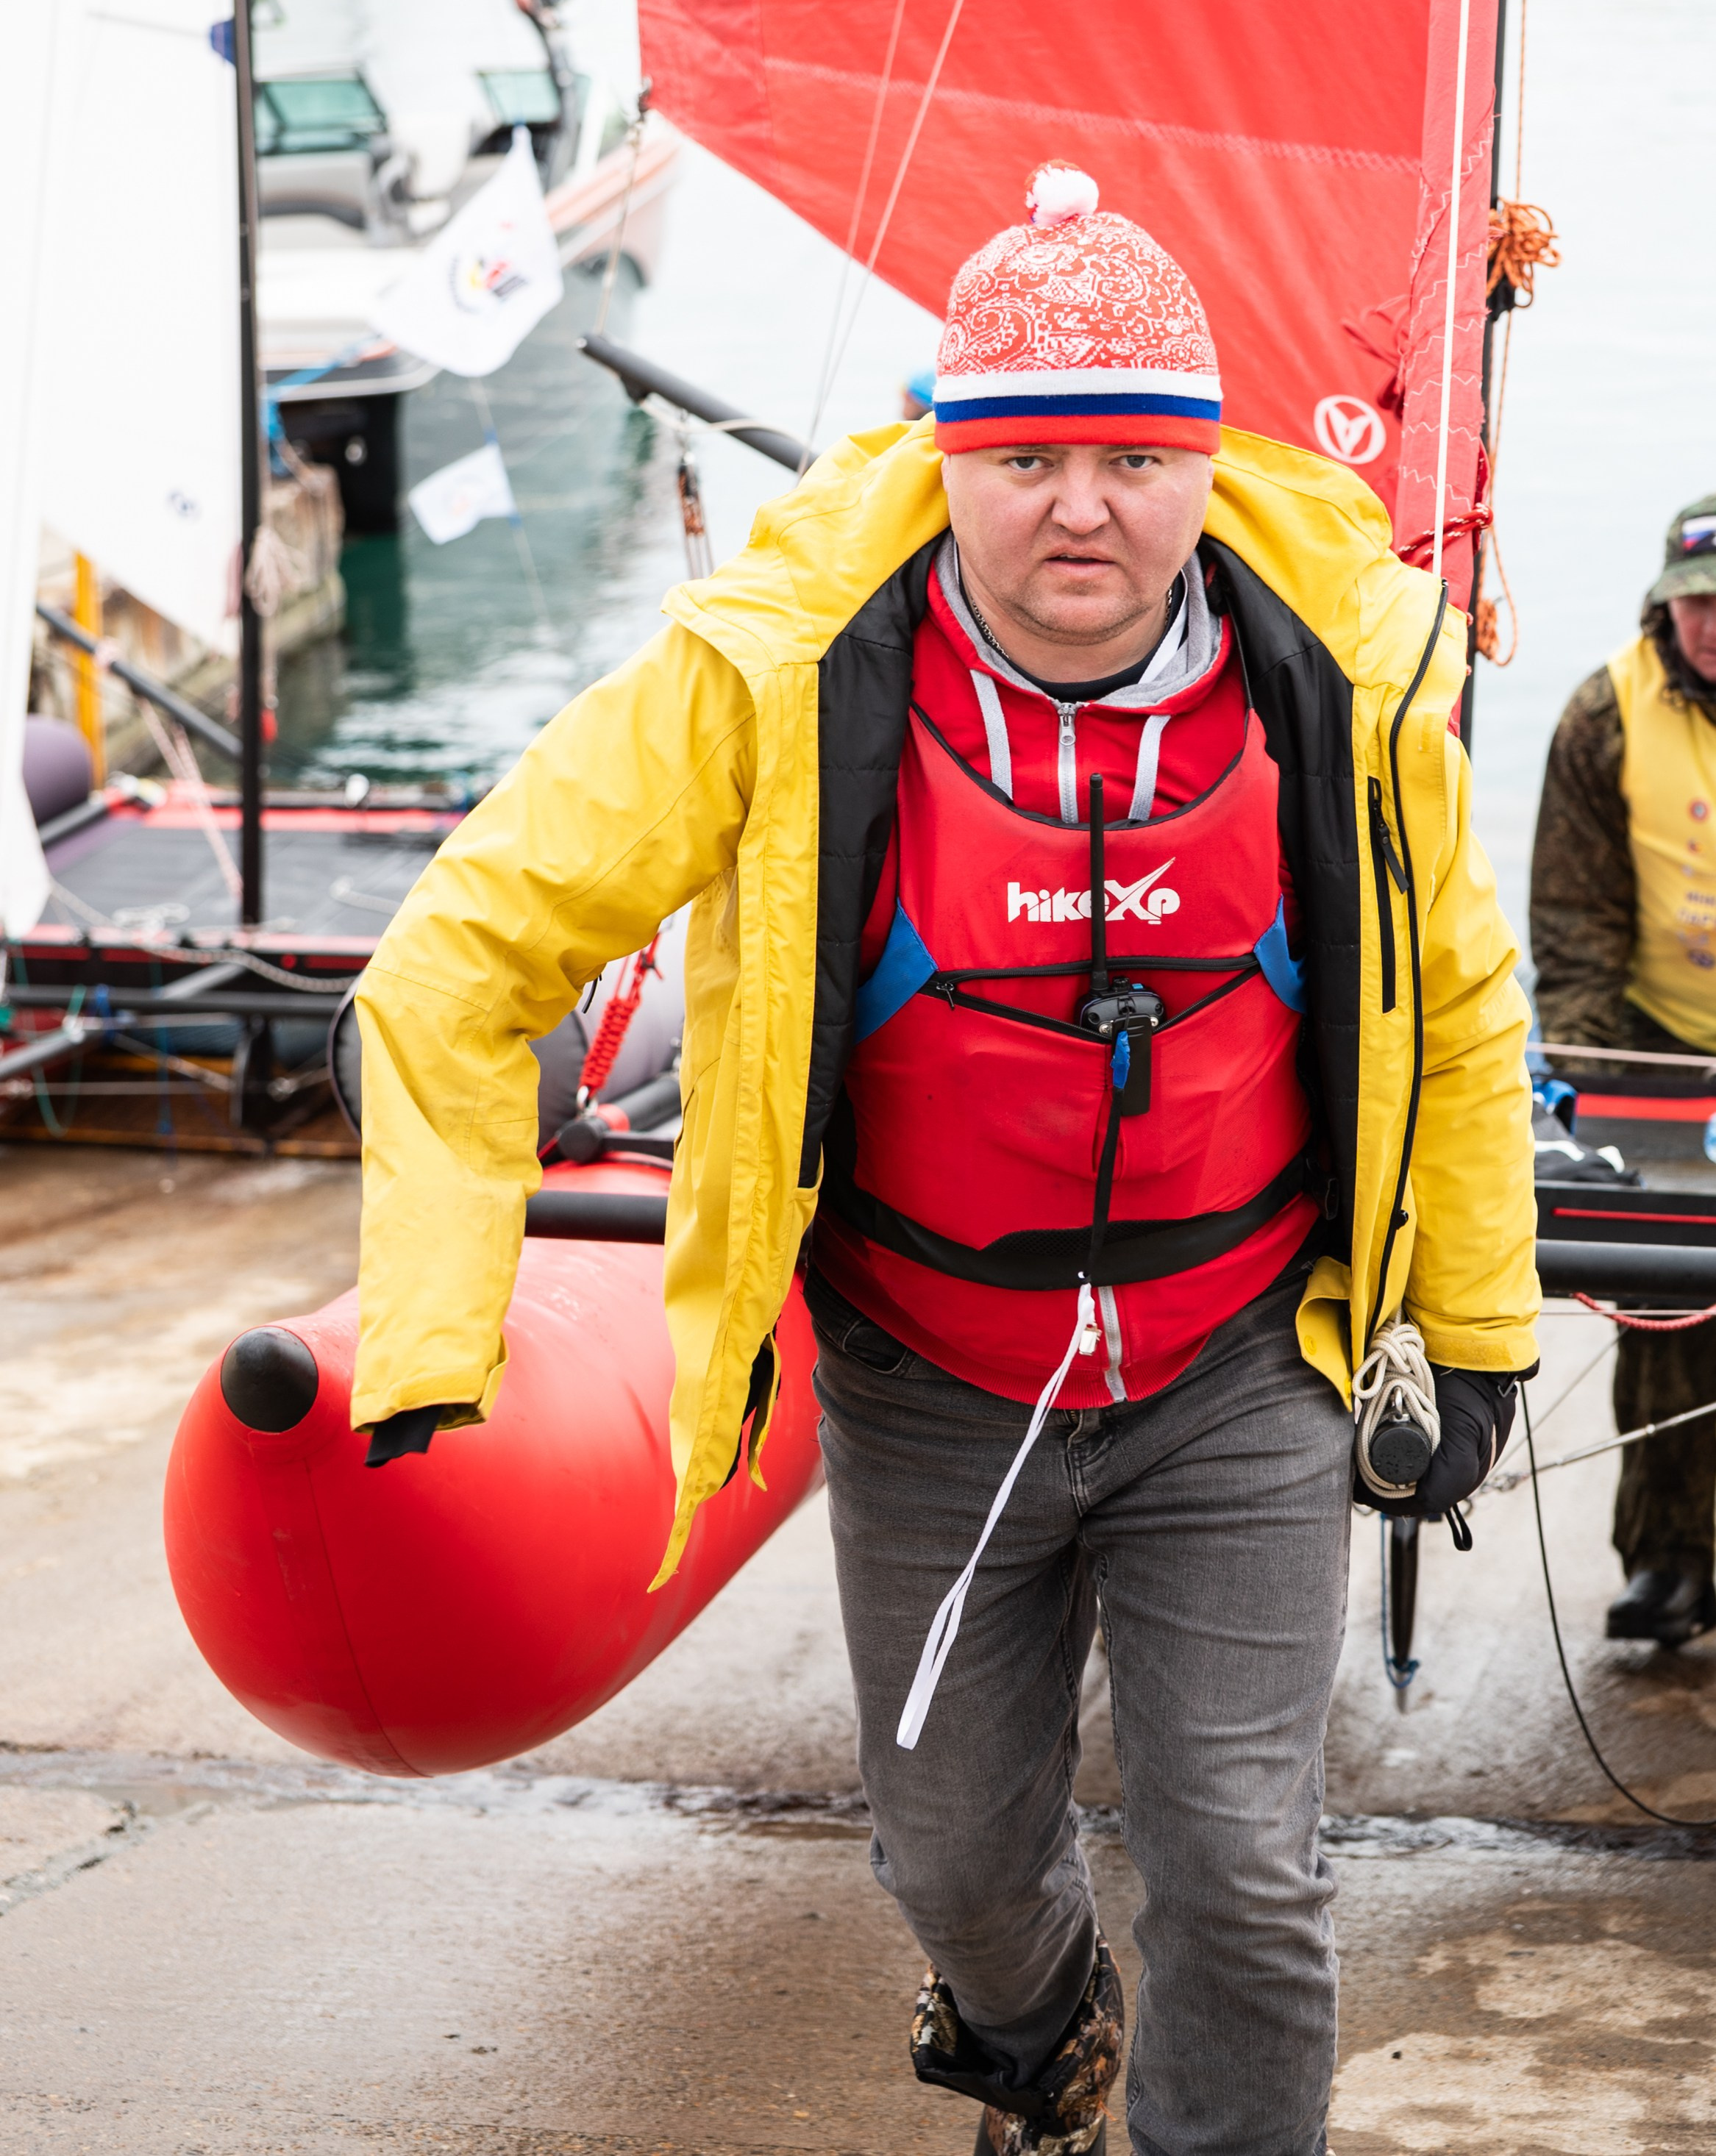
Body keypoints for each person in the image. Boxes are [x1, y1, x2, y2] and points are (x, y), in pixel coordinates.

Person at [352, 168, 1539, 2156]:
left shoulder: (1340, 669)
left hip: (1236, 1360)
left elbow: (1466, 1006)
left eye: (1135, 458)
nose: (1082, 508)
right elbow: (464, 953)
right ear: (941, 456)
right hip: (926, 1372)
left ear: (1206, 462)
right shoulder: (783, 664)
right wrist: (430, 1327)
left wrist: (1475, 1334)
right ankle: (1035, 2028)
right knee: (951, 1860)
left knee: (1247, 1869)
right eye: (1026, 457)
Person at [1532, 496, 1716, 1650]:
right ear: (1663, 604)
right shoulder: (1602, 713)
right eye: (1700, 604)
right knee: (1669, 1302)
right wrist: (1598, 1092)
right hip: (1657, 1042)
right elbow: (1573, 929)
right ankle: (1668, 1561)